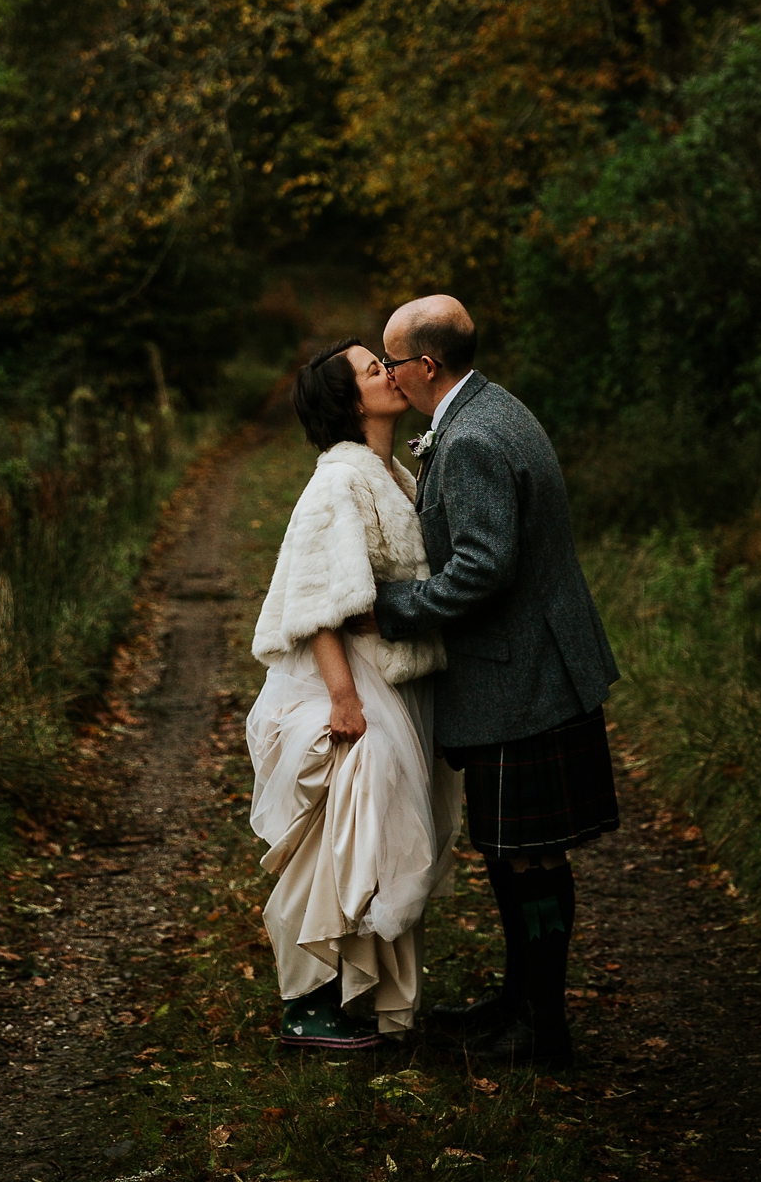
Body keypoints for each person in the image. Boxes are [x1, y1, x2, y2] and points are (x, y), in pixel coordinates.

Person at [370, 294, 621, 1067]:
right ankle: (523, 1005)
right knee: (529, 854)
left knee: (526, 856)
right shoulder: (492, 407)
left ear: (427, 364)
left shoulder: (474, 438)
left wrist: (394, 610)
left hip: (522, 678)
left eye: (392, 361)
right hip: (542, 665)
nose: (386, 374)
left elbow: (482, 566)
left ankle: (539, 1029)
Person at [246, 338, 462, 1051]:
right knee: (340, 841)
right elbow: (316, 605)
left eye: (386, 364)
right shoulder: (338, 481)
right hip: (349, 689)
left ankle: (358, 997)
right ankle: (307, 1006)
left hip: (392, 680)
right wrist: (344, 702)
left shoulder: (388, 473)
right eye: (375, 371)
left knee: (390, 836)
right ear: (349, 400)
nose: (391, 374)